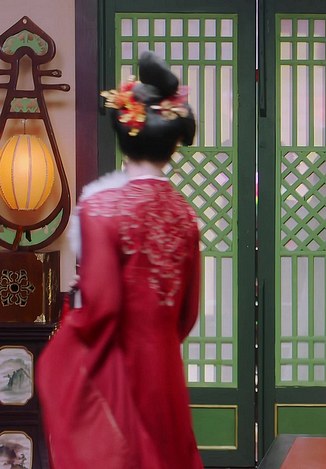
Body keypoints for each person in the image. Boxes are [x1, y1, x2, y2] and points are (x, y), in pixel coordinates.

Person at [36, 51, 203, 469]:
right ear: (172, 146)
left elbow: (103, 307)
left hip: (119, 370)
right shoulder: (185, 215)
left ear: (123, 137)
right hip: (165, 370)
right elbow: (187, 314)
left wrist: (64, 344)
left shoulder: (102, 209)